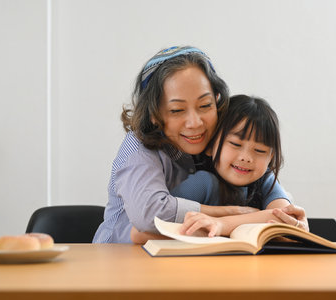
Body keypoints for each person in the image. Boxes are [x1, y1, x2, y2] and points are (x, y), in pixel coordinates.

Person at [93, 46, 307, 243]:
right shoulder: (138, 147)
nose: (195, 123)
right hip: (117, 257)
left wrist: (284, 213)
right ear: (154, 114)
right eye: (177, 110)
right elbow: (148, 217)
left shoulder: (218, 140)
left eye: (205, 105)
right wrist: (233, 214)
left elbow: (282, 208)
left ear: (217, 100)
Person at [177, 95, 308, 237]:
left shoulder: (266, 181)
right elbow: (161, 216)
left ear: (270, 157)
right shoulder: (202, 183)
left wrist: (221, 224)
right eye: (235, 144)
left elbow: (283, 217)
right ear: (210, 145)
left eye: (260, 150)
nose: (246, 158)